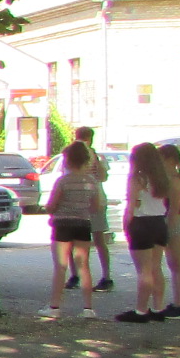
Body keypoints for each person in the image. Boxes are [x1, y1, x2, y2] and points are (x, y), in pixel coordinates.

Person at [37, 141, 104, 321]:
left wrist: (50, 209)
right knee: (83, 265)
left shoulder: (63, 181)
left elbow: (51, 205)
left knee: (61, 266)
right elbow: (96, 207)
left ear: (67, 160)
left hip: (63, 224)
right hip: (83, 224)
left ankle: (55, 307)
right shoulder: (91, 181)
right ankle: (88, 308)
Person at [116, 141, 180, 324]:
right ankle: (158, 308)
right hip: (159, 222)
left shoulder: (137, 179)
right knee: (156, 267)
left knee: (143, 270)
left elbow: (131, 206)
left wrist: (126, 225)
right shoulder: (162, 179)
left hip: (141, 222)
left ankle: (141, 310)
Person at [68, 126, 116, 293]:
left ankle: (81, 275)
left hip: (87, 200)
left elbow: (102, 176)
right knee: (90, 239)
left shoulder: (94, 156)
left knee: (84, 239)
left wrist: (95, 161)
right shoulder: (74, 156)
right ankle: (94, 276)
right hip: (88, 200)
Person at [158, 143, 180, 319]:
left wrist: (167, 229)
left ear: (171, 160)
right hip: (177, 221)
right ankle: (178, 303)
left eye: (162, 159)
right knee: (174, 266)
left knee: (179, 266)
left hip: (177, 222)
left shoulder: (174, 181)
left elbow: (174, 209)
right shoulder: (173, 178)